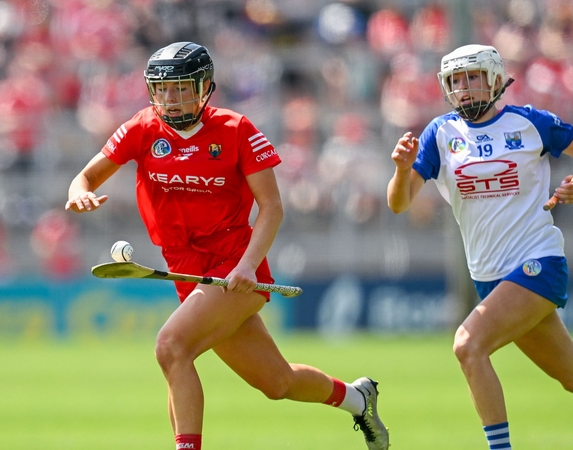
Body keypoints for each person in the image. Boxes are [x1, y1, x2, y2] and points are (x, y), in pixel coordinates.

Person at [65, 41, 389, 450]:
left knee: (171, 346)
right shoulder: (141, 128)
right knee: (277, 382)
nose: (171, 98)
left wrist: (248, 265)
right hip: (186, 268)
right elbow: (85, 178)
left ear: (204, 88)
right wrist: (79, 193)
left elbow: (272, 208)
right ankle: (358, 399)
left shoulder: (237, 130)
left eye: (181, 88)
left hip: (235, 265)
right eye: (162, 89)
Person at [387, 44, 573, 450]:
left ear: (495, 80)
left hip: (538, 262)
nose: (463, 88)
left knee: (468, 345)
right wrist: (400, 169)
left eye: (472, 77)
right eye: (455, 81)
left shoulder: (530, 123)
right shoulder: (440, 134)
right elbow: (399, 203)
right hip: (490, 278)